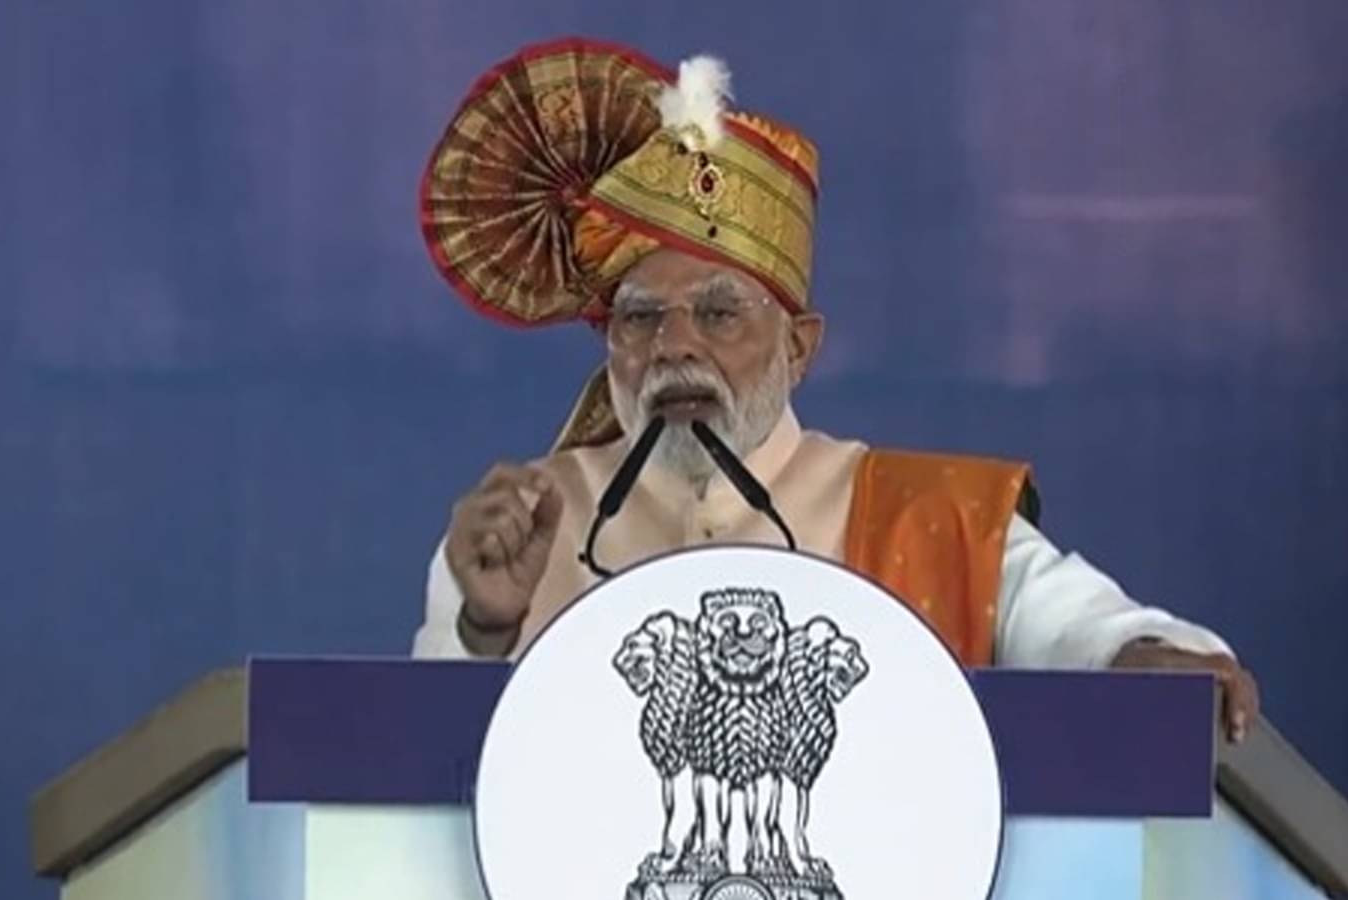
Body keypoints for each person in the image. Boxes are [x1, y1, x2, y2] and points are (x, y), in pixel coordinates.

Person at [409, 37, 1259, 741]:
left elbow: (1086, 627)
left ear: (799, 348)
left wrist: (1144, 658)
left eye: (719, 314)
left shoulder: (927, 517)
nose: (674, 347)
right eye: (639, 319)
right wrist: (484, 631)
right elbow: (418, 780)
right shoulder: (530, 520)